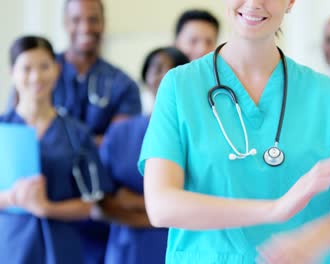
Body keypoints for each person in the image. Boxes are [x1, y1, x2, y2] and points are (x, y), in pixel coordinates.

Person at [139, 1, 330, 263]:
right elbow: (161, 205)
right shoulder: (179, 86)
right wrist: (274, 210)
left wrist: (315, 240)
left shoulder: (324, 94)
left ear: (290, 2)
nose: (254, 3)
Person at [0, 36, 113, 264]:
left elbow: (89, 204)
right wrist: (13, 197)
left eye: (44, 66)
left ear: (57, 69)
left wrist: (46, 208)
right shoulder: (3, 129)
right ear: (13, 72)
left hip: (62, 247)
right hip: (11, 245)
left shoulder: (77, 133)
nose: (36, 76)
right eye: (26, 68)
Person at [99, 47, 189, 264]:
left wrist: (133, 201)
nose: (165, 75)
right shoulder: (120, 134)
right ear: (145, 76)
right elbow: (101, 203)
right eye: (157, 68)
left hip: (181, 248)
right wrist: (164, 213)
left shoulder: (198, 136)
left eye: (174, 69)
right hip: (128, 250)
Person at [53, 0, 142, 144]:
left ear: (103, 23)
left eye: (93, 19)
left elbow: (117, 143)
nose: (85, 27)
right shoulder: (39, 75)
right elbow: (21, 130)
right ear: (65, 23)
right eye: (76, 19)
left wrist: (56, 144)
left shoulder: (124, 85)